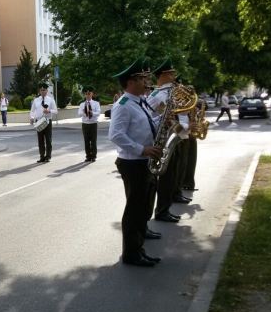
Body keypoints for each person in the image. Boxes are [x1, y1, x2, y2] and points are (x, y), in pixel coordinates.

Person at [108, 58, 163, 267]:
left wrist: (162, 120)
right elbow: (116, 135)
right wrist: (143, 149)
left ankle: (138, 248)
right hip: (133, 163)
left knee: (142, 209)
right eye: (143, 78)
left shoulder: (139, 102)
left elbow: (144, 125)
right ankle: (131, 254)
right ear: (131, 82)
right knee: (134, 210)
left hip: (143, 161)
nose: (147, 81)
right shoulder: (122, 105)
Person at [145, 59, 190, 223]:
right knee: (165, 179)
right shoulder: (157, 95)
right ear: (162, 75)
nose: (173, 77)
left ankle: (166, 208)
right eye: (171, 74)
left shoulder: (171, 93)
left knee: (171, 177)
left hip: (174, 137)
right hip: (164, 139)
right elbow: (147, 117)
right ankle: (161, 211)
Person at [29, 82, 58, 163]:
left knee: (48, 139)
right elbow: (32, 111)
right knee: (40, 139)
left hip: (47, 120)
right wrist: (32, 117)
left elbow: (55, 111)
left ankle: (48, 156)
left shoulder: (50, 100)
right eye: (41, 90)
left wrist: (49, 111)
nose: (42, 91)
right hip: (39, 121)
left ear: (46, 90)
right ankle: (42, 156)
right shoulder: (36, 100)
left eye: (44, 90)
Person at [78, 86, 100, 162]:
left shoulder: (96, 103)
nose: (87, 95)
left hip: (93, 123)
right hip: (85, 123)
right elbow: (79, 114)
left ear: (92, 94)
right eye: (86, 94)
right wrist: (84, 113)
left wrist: (92, 113)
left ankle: (93, 155)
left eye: (89, 94)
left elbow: (98, 113)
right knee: (86, 140)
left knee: (93, 140)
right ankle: (88, 155)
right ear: (85, 95)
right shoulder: (82, 104)